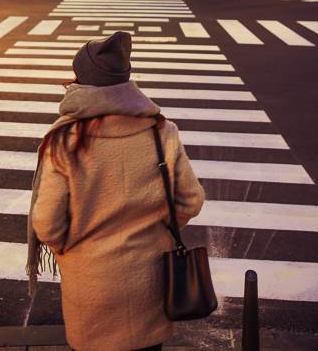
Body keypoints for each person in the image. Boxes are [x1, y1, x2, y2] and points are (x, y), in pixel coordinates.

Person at [28, 31, 205, 351]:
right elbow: (191, 200)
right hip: (150, 281)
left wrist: (72, 251)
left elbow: (47, 224)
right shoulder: (161, 131)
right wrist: (159, 230)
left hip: (91, 283)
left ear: (80, 82)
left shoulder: (64, 140)